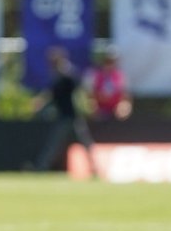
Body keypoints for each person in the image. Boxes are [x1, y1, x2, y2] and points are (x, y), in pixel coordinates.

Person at [31, 46, 96, 175]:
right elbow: (52, 95)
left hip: (72, 116)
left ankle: (95, 169)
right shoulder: (57, 76)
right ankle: (41, 167)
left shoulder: (67, 75)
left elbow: (78, 87)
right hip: (64, 116)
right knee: (56, 144)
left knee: (84, 143)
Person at [85, 47, 131, 121]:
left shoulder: (120, 75)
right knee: (90, 107)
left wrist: (123, 106)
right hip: (99, 106)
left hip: (115, 107)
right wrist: (94, 104)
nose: (109, 65)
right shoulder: (94, 75)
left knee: (123, 110)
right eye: (107, 62)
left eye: (111, 62)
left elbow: (125, 96)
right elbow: (89, 94)